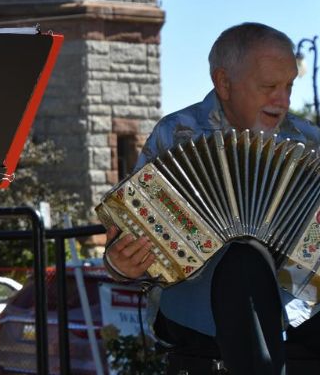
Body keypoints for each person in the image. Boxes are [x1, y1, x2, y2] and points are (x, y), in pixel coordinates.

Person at [105, 22, 320, 375]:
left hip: (297, 293)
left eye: (289, 86)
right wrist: (120, 265)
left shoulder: (308, 138)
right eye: (269, 87)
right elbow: (132, 239)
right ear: (224, 83)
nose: (283, 101)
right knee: (245, 258)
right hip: (192, 296)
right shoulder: (175, 134)